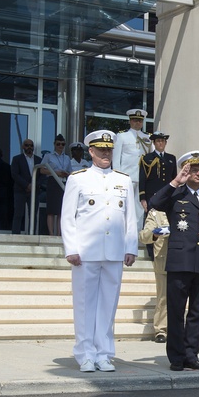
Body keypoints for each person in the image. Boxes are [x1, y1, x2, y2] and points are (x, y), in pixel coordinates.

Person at [60, 130, 138, 373]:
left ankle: (104, 354)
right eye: (101, 149)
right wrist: (71, 248)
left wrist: (131, 247)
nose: (106, 153)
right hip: (86, 253)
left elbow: (130, 218)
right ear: (91, 152)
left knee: (108, 306)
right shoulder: (78, 178)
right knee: (84, 305)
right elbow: (67, 217)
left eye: (109, 149)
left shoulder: (123, 179)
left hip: (114, 252)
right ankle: (84, 354)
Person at [148, 151, 199, 371]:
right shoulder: (175, 194)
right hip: (179, 262)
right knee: (176, 310)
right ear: (185, 171)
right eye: (194, 170)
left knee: (197, 312)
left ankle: (192, 354)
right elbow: (154, 202)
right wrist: (174, 182)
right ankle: (177, 357)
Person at [113, 108, 152, 229]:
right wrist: (117, 176)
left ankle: (137, 231)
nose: (137, 123)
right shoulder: (122, 136)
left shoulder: (148, 137)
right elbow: (116, 159)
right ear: (130, 121)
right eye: (135, 120)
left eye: (140, 121)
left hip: (142, 177)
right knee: (123, 204)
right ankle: (123, 230)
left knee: (140, 206)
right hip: (126, 176)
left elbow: (151, 158)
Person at [139, 207, 170, 343]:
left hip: (185, 258)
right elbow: (144, 236)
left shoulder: (187, 207)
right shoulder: (156, 212)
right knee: (164, 296)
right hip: (164, 259)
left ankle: (179, 329)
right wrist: (155, 233)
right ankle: (161, 330)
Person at [41, 134, 72, 236]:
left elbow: (70, 171)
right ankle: (51, 233)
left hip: (63, 182)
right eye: (58, 144)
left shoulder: (67, 158)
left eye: (62, 144)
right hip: (53, 182)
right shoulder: (48, 156)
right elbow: (41, 170)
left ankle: (58, 233)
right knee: (51, 210)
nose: (60, 146)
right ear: (54, 144)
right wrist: (55, 172)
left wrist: (65, 174)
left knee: (60, 210)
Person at [138, 131, 176, 212]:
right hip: (152, 195)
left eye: (163, 141)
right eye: (158, 141)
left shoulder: (171, 158)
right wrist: (142, 198)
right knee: (152, 221)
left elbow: (174, 178)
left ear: (166, 143)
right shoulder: (147, 158)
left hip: (168, 195)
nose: (161, 143)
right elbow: (142, 179)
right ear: (154, 143)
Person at [10, 138, 42, 234]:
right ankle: (15, 235)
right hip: (20, 190)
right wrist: (27, 185)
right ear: (23, 147)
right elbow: (14, 174)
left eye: (31, 145)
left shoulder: (38, 160)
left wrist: (34, 185)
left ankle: (31, 235)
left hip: (34, 191)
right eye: (27, 145)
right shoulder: (17, 159)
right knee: (18, 214)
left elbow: (42, 175)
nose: (29, 147)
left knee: (33, 215)